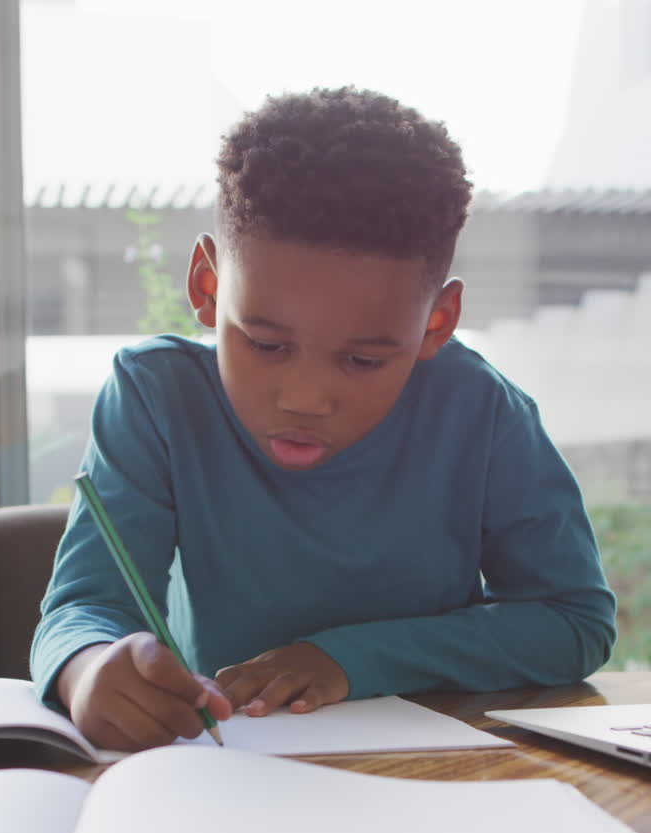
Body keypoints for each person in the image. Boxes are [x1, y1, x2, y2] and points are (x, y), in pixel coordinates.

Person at [31, 85, 616, 752]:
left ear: (438, 322)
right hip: (231, 775)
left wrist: (348, 659)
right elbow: (85, 607)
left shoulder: (481, 413)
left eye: (364, 360)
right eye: (267, 344)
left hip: (436, 773)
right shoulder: (156, 397)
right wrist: (85, 670)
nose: (305, 398)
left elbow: (573, 621)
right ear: (206, 287)